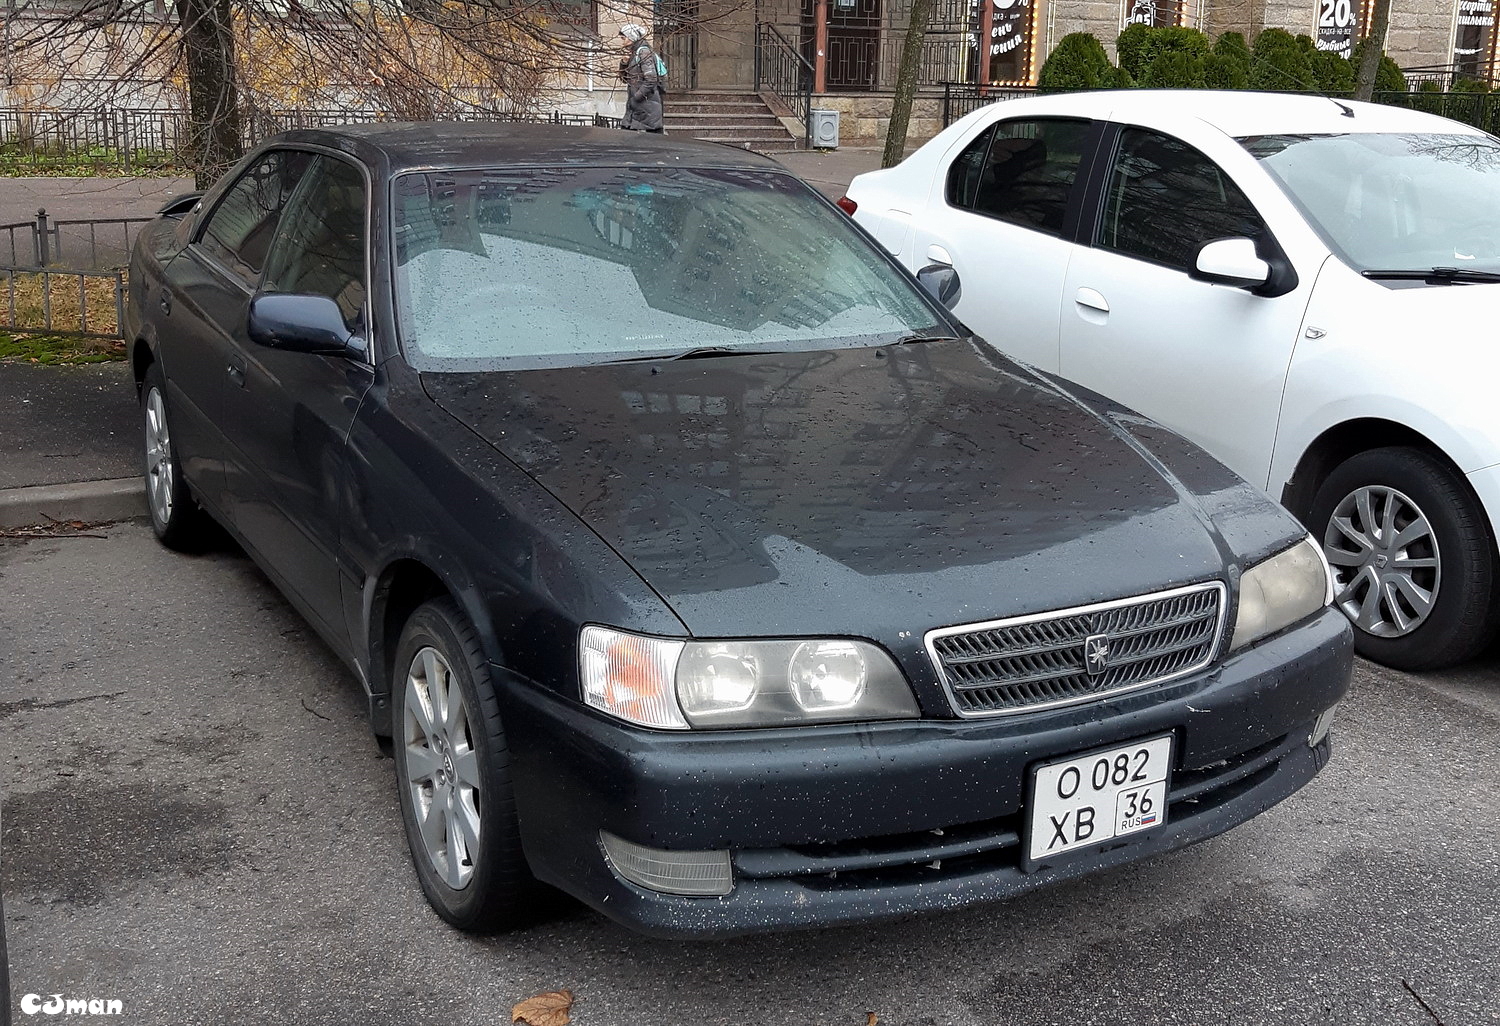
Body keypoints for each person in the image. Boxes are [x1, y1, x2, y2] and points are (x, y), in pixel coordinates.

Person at [617, 24, 664, 134]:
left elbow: (651, 79)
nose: (622, 42)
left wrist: (636, 97)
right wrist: (624, 63)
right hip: (639, 109)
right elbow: (624, 79)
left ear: (631, 37)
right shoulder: (634, 53)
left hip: (646, 108)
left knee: (650, 143)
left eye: (624, 39)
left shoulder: (643, 53)